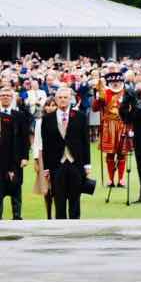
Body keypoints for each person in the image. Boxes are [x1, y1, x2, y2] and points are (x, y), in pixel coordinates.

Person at [40, 87, 91, 219]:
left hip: (76, 163)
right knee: (59, 199)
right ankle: (60, 231)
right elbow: (46, 145)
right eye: (60, 97)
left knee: (75, 199)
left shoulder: (80, 116)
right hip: (57, 164)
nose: (63, 100)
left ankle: (75, 230)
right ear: (56, 99)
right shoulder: (48, 119)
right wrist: (46, 167)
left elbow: (85, 142)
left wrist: (87, 164)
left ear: (70, 99)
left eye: (65, 97)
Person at [94, 71, 132, 188]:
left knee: (122, 153)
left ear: (122, 82)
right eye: (113, 82)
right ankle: (110, 180)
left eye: (118, 81)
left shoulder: (127, 94)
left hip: (123, 125)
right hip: (108, 126)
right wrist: (98, 98)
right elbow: (95, 108)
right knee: (110, 154)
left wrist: (131, 127)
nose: (116, 84)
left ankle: (121, 180)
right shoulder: (104, 93)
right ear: (109, 83)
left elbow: (133, 110)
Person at [0, 86, 28, 220]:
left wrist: (25, 157)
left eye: (8, 95)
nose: (5, 97)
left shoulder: (20, 116)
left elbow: (25, 138)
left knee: (16, 189)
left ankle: (17, 218)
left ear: (12, 98)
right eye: (3, 95)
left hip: (16, 159)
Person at [32, 97, 57, 219]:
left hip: (58, 156)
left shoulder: (61, 119)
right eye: (48, 105)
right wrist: (36, 160)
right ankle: (48, 215)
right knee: (46, 188)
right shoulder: (39, 121)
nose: (50, 107)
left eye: (53, 105)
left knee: (58, 187)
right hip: (43, 156)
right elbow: (36, 142)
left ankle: (59, 214)